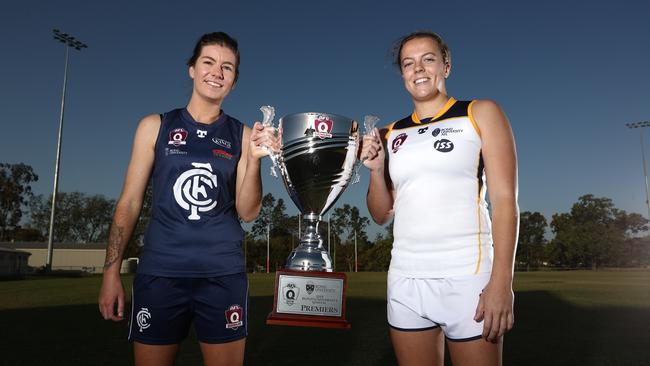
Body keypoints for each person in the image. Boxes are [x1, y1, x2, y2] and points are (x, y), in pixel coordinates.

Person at [98, 32, 279, 366]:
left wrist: (253, 159)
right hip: (161, 273)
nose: (217, 72)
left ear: (234, 81)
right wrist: (111, 272)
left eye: (227, 67)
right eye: (208, 62)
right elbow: (129, 203)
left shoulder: (240, 135)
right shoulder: (155, 126)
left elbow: (249, 212)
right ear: (192, 69)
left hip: (222, 274)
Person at [361, 31, 519, 366]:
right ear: (402, 74)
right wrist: (375, 171)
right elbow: (380, 214)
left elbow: (505, 201)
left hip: (467, 278)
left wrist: (501, 283)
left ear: (446, 66)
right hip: (406, 279)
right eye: (408, 63)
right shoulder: (388, 134)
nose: (418, 68)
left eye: (428, 59)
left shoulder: (480, 113)